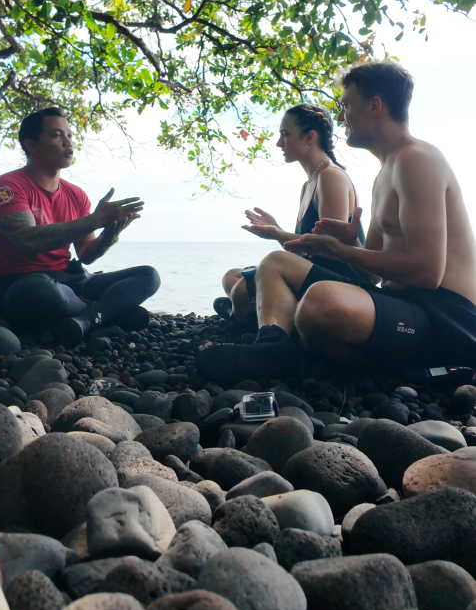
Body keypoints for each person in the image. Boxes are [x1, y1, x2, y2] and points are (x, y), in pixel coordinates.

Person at [197, 60, 476, 385]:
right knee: (275, 263)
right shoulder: (384, 173)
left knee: (320, 303)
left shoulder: (417, 160)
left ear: (375, 106)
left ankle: (401, 371)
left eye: (346, 105)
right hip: (403, 304)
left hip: (444, 317)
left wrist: (343, 252)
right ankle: (272, 350)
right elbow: (371, 273)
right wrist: (351, 244)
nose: (341, 116)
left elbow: (428, 273)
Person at [0, 107, 160, 347]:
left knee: (148, 275)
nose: (68, 142)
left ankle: (84, 321)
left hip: (70, 281)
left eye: (69, 135)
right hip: (19, 285)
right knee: (40, 288)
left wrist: (109, 235)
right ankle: (103, 313)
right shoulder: (8, 186)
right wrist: (97, 219)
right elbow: (27, 240)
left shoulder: (76, 195)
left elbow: (86, 255)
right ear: (31, 144)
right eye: (57, 135)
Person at [215, 103, 364, 340]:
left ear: (310, 138)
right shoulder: (309, 184)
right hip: (311, 273)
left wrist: (277, 234)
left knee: (242, 290)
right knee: (231, 276)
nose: (278, 143)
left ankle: (245, 316)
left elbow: (331, 250)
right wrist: (277, 230)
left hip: (339, 283)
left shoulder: (331, 177)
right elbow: (307, 251)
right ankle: (244, 311)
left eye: (285, 134)